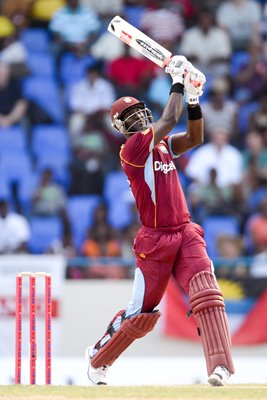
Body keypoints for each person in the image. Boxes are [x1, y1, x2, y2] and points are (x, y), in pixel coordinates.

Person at [85, 55, 235, 386]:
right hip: (154, 242)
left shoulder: (163, 143)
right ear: (121, 127)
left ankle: (220, 367)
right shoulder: (133, 149)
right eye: (128, 115)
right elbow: (169, 117)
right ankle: (98, 358)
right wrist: (178, 79)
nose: (137, 116)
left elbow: (194, 137)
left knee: (207, 293)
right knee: (140, 315)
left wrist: (193, 97)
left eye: (139, 110)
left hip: (185, 231)